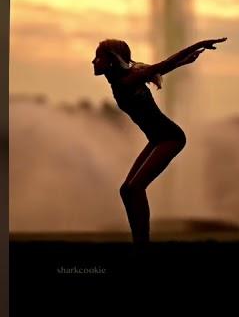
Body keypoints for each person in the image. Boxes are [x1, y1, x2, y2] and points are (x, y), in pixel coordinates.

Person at [92, 37, 227, 243]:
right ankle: (140, 243)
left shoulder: (129, 79)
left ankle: (142, 246)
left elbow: (164, 65)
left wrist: (199, 44)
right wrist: (185, 61)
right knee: (127, 190)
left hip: (170, 137)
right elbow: (162, 69)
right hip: (157, 139)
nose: (93, 61)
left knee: (134, 189)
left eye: (98, 57)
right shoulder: (124, 78)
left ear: (111, 60)